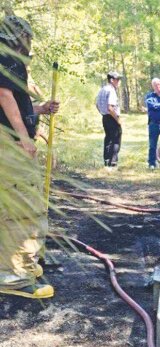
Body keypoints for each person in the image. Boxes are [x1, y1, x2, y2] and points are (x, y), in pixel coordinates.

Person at [0, 15, 60, 299]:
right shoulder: (5, 54)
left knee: (12, 204)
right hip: (10, 145)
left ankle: (14, 264)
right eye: (27, 38)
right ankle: (14, 276)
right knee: (22, 206)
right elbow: (3, 95)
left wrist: (40, 109)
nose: (29, 44)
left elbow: (14, 103)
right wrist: (24, 138)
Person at [95, 71, 122, 168]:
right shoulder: (111, 90)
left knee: (108, 138)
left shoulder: (102, 89)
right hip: (112, 117)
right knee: (115, 140)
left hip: (105, 117)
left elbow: (97, 105)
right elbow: (110, 107)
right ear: (112, 80)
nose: (118, 82)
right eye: (117, 79)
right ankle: (113, 162)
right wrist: (117, 119)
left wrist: (103, 113)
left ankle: (106, 161)